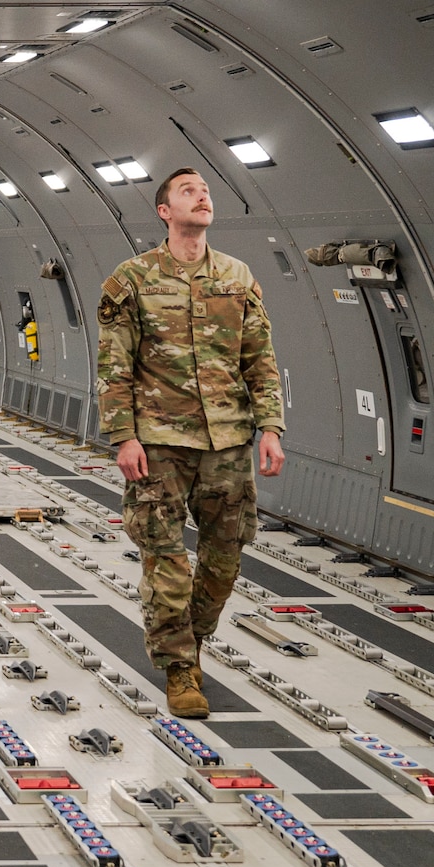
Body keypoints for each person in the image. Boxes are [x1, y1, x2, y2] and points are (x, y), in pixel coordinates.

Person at [96, 167, 284, 718]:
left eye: (205, 191)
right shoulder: (131, 280)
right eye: (188, 191)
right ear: (164, 211)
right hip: (159, 445)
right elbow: (114, 367)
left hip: (228, 442)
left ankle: (192, 639)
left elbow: (260, 359)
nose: (202, 196)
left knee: (225, 556)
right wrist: (123, 437)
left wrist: (270, 428)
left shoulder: (237, 275)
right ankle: (180, 667)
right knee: (166, 558)